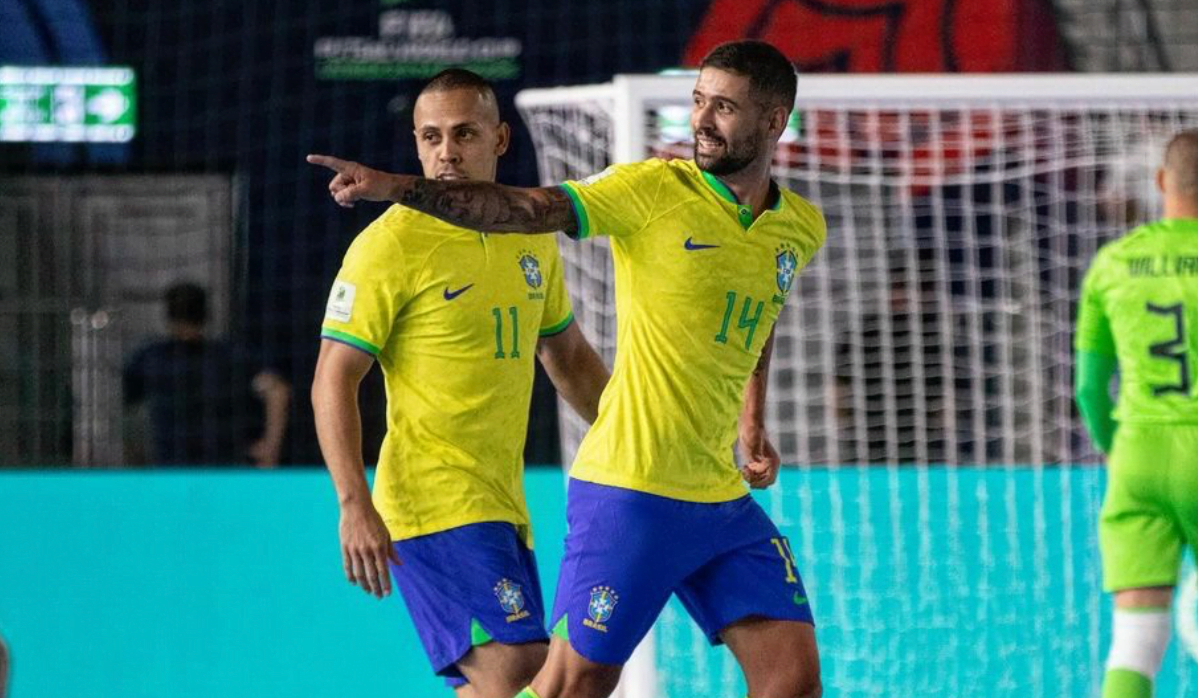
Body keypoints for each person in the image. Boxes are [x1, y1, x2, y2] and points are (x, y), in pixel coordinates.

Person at [310, 40, 825, 698]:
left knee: (793, 679)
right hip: (557, 497)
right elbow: (336, 373)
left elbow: (586, 356)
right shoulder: (648, 192)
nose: (701, 119)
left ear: (775, 120)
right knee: (549, 683)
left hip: (699, 494)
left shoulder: (797, 228)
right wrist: (353, 502)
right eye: (697, 101)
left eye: (721, 106)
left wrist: (751, 419)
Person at [311, 69, 609, 698]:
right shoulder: (389, 243)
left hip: (502, 503)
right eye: (431, 136)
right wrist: (352, 502)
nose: (446, 151)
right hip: (433, 501)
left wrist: (637, 437)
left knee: (516, 684)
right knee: (523, 668)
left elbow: (568, 356)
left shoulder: (529, 235)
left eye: (464, 133)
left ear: (499, 140)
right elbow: (333, 378)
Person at [1075, 128, 1198, 698]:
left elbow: (1089, 389)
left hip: (1138, 452)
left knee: (1137, 635)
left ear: (1161, 182)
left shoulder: (1112, 263)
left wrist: (1116, 449)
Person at [123, 282, 290, 467]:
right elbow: (276, 390)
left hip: (178, 470)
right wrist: (270, 447)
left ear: (168, 315)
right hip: (216, 470)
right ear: (205, 315)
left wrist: (132, 457)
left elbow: (123, 407)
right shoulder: (228, 356)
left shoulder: (151, 359)